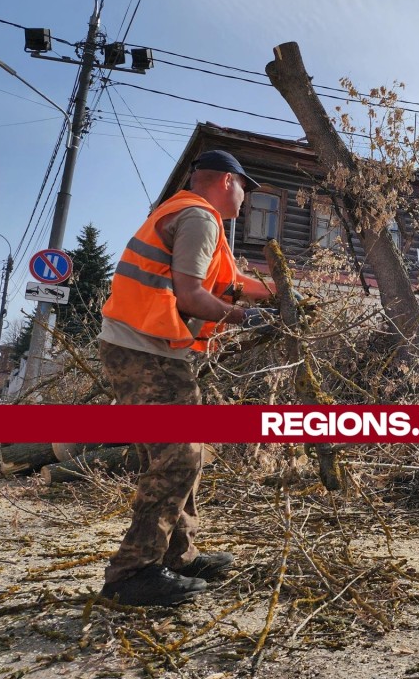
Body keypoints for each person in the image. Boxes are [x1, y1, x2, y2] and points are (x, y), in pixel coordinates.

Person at [97, 150, 277, 606]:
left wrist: (286, 294)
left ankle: (179, 555)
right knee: (179, 455)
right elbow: (193, 295)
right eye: (245, 186)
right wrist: (245, 318)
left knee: (184, 452)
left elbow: (231, 282)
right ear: (224, 182)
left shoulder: (196, 220)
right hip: (144, 352)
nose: (248, 197)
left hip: (152, 351)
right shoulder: (199, 217)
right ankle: (131, 574)